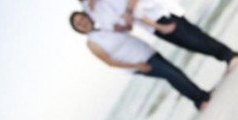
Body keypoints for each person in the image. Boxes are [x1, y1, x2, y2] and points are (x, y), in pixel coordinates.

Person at [62, 0, 238, 73]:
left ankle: (229, 55)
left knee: (193, 37)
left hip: (158, 11)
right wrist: (123, 24)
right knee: (188, 44)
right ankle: (225, 56)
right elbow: (120, 21)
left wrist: (129, 12)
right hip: (149, 26)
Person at [70, 11, 211, 111]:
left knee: (174, 72)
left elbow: (128, 29)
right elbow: (109, 61)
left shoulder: (106, 27)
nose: (82, 22)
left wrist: (124, 25)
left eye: (82, 18)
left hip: (148, 52)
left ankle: (201, 95)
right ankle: (199, 100)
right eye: (78, 23)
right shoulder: (92, 42)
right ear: (77, 29)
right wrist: (136, 65)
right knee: (171, 74)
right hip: (138, 63)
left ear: (87, 17)